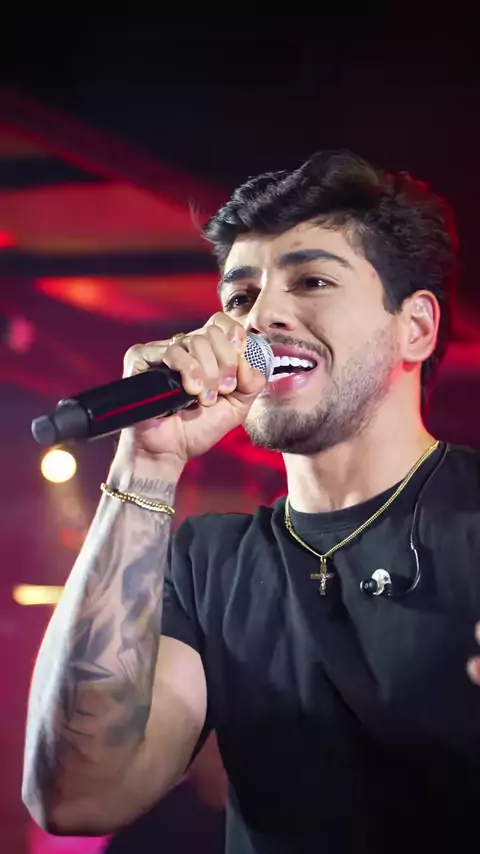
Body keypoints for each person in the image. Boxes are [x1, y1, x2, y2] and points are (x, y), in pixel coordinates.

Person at [22, 150, 480, 853]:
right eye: (239, 298)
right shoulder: (206, 565)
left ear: (414, 327)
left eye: (312, 280)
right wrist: (147, 463)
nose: (260, 317)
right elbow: (76, 794)